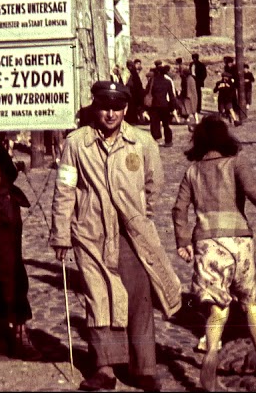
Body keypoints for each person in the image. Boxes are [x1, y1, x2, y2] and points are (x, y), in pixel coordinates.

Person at [50, 81, 183, 392]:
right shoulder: (76, 144)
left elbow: (154, 184)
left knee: (139, 299)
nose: (110, 114)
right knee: (98, 299)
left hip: (131, 236)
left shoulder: (142, 142)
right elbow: (65, 189)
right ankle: (104, 368)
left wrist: (140, 217)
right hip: (90, 233)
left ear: (126, 109)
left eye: (117, 108)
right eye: (104, 107)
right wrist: (60, 234)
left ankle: (144, 368)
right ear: (95, 107)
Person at [171, 114, 256, 391]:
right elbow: (253, 191)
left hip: (207, 245)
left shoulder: (192, 171)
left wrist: (183, 241)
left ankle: (210, 353)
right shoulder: (236, 163)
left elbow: (179, 209)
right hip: (238, 242)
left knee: (218, 310)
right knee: (250, 303)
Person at [0, 131, 41, 360]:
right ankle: (19, 333)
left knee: (6, 274)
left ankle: (3, 324)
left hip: (9, 220)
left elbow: (8, 173)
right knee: (13, 275)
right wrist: (1, 216)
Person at [146, 63, 177, 147]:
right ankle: (168, 141)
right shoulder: (167, 82)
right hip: (165, 105)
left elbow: (147, 92)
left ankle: (157, 139)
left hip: (155, 106)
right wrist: (173, 107)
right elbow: (171, 95)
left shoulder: (152, 82)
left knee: (155, 124)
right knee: (166, 124)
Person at [125, 59, 147, 127]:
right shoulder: (130, 74)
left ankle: (135, 119)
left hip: (134, 94)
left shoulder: (133, 74)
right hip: (132, 94)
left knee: (133, 108)